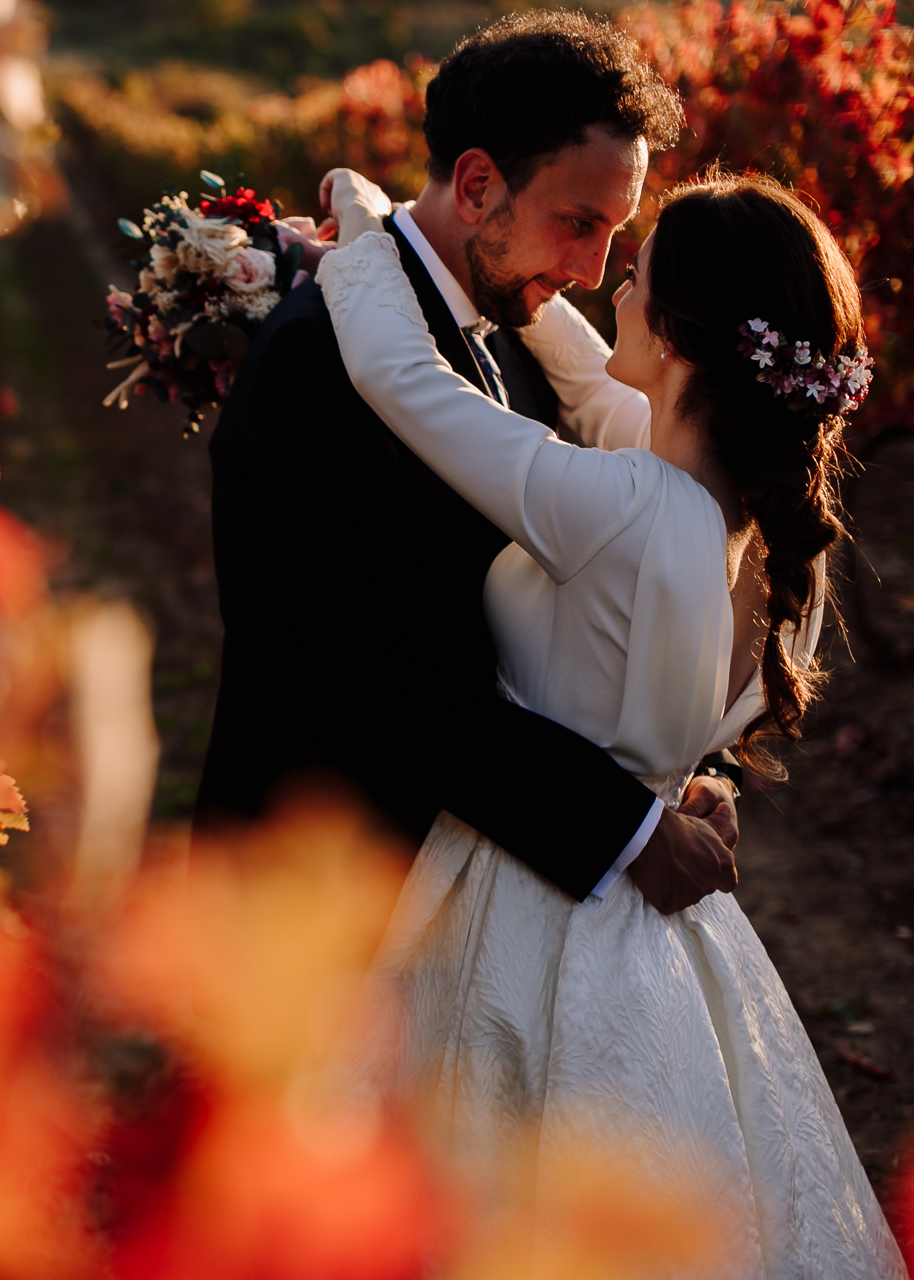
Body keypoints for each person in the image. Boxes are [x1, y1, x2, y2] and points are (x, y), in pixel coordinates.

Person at [317, 163, 902, 1275]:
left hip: (525, 891)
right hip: (654, 928)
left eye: (631, 277)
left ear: (678, 331)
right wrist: (531, 303)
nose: (611, 292)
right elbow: (602, 392)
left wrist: (371, 235)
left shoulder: (629, 508)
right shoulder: (758, 536)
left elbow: (402, 376)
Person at [194, 11, 737, 914]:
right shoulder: (318, 355)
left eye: (615, 233)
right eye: (577, 222)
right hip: (311, 901)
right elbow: (374, 677)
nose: (596, 273)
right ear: (479, 183)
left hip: (455, 897)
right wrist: (625, 830)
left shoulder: (519, 337)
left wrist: (671, 768)